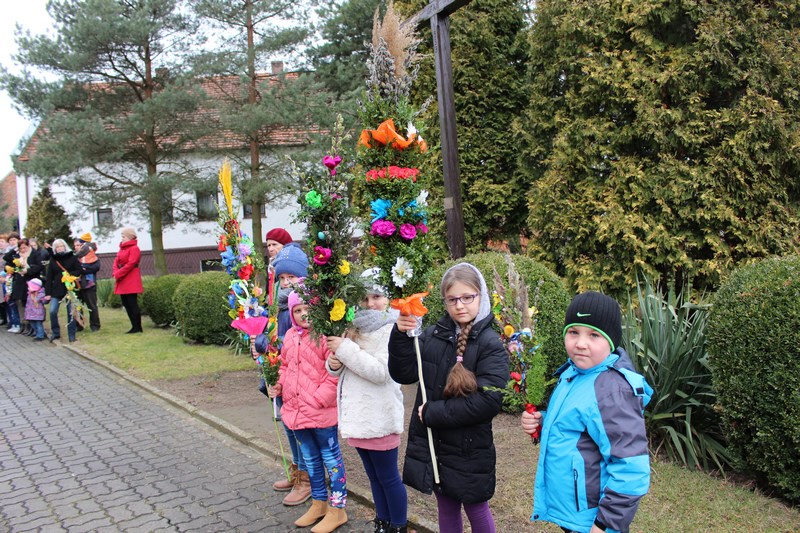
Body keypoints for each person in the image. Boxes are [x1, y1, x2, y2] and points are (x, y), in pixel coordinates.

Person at [388, 263, 508, 533]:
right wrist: (401, 336)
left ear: (481, 296)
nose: (460, 305)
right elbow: (404, 372)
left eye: (467, 297)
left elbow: (488, 401)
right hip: (437, 445)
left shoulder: (490, 344)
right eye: (452, 299)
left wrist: (433, 413)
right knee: (446, 505)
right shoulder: (433, 335)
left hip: (469, 448)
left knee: (476, 507)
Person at [521, 291, 652, 533]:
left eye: (594, 335)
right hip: (574, 513)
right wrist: (543, 421)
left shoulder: (611, 391)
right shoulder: (573, 373)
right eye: (573, 332)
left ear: (611, 341)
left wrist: (604, 523)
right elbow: (577, 425)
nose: (581, 343)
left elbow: (631, 467)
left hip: (594, 520)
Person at [325, 268, 407, 533]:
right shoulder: (354, 327)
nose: (371, 303)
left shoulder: (392, 328)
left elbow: (382, 372)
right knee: (373, 476)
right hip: (360, 417)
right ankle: (382, 521)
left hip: (379, 417)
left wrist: (345, 350)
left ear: (388, 298)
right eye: (365, 298)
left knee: (388, 477)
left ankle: (398, 525)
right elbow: (344, 367)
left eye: (377, 296)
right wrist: (334, 363)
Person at [269, 291, 347, 533]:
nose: (303, 314)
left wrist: (319, 399)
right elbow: (285, 366)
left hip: (320, 412)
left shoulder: (325, 336)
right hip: (296, 412)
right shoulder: (290, 337)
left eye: (307, 308)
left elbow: (334, 373)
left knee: (331, 460)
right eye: (298, 310)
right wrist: (278, 384)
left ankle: (338, 509)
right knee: (311, 460)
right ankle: (319, 503)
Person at [253, 241, 312, 505]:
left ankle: (307, 479)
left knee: (300, 429)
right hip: (281, 373)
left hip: (300, 377)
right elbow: (273, 334)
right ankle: (296, 470)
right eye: (283, 277)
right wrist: (260, 342)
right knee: (287, 424)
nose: (286, 282)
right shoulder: (279, 305)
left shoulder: (303, 306)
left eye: (292, 277)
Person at [44, 239, 83, 343]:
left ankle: (72, 335)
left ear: (65, 246)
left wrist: (70, 275)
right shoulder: (53, 259)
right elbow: (49, 277)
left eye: (61, 246)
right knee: (52, 311)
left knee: (71, 312)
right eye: (57, 247)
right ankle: (55, 332)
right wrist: (48, 293)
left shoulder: (72, 257)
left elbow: (79, 270)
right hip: (56, 289)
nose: (60, 248)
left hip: (69, 288)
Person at [3, 238, 44, 336]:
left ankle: (31, 326)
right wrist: (14, 249)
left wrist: (28, 271)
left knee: (30, 304)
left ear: (28, 246)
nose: (23, 250)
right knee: (20, 303)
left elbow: (39, 266)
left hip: (31, 282)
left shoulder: (34, 254)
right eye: (21, 248)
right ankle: (23, 324)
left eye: (24, 247)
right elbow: (6, 258)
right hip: (20, 282)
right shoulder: (17, 255)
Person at [113, 227, 143, 334]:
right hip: (122, 278)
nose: (122, 238)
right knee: (125, 303)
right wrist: (116, 272)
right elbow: (116, 262)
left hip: (130, 278)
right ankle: (133, 326)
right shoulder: (121, 249)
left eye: (124, 236)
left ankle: (137, 327)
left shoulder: (134, 248)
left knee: (132, 303)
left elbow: (131, 263)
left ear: (130, 237)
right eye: (122, 236)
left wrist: (119, 273)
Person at [74, 233, 101, 332]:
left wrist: (83, 269)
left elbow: (96, 267)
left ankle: (95, 325)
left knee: (92, 306)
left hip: (89, 285)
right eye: (76, 245)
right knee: (77, 306)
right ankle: (79, 325)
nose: (78, 247)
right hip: (76, 284)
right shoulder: (74, 257)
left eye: (79, 245)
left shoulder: (91, 255)